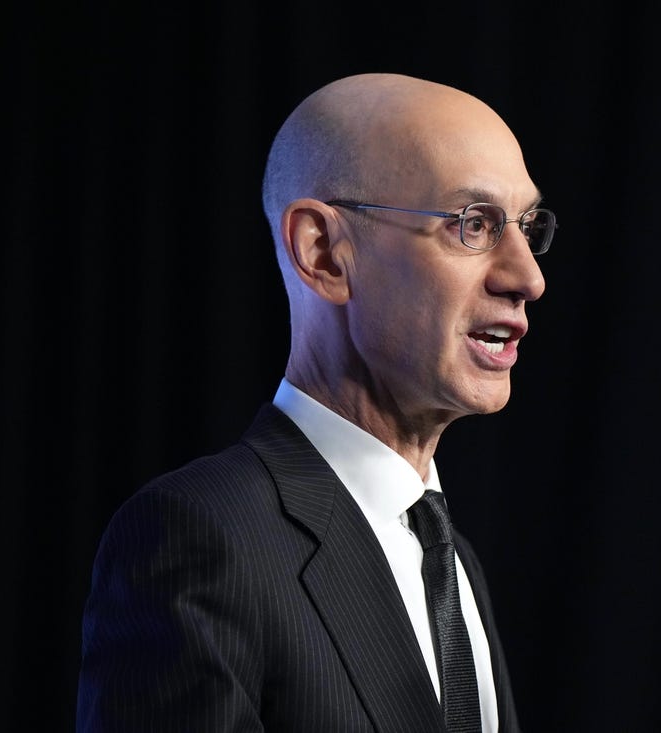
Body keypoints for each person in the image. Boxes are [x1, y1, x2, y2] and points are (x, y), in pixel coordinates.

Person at [75, 72, 556, 732]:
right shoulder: (204, 535)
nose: (527, 276)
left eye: (527, 226)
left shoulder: (454, 561)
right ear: (324, 252)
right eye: (474, 224)